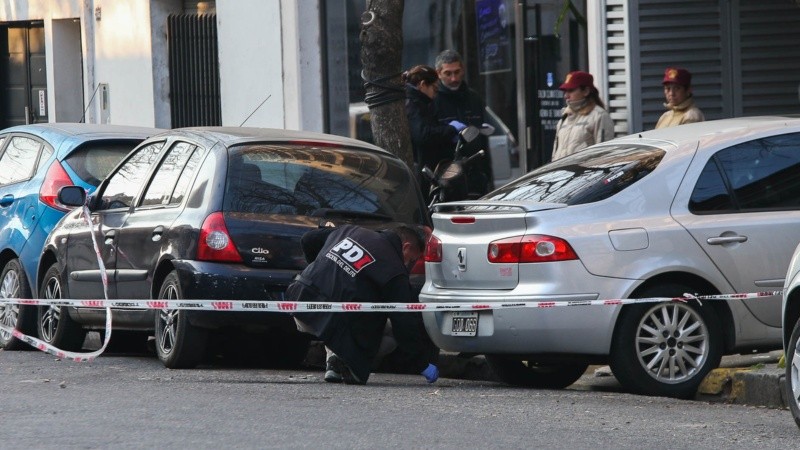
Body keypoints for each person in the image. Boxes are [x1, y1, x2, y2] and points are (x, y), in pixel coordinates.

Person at [285, 224, 439, 385]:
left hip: (300, 302)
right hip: (329, 318)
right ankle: (350, 365)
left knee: (342, 311)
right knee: (389, 332)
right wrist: (422, 364)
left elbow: (308, 238)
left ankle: (335, 364)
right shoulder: (395, 269)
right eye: (411, 259)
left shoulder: (349, 231)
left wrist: (319, 269)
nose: (409, 264)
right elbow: (403, 322)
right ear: (406, 247)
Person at [433, 49, 494, 196]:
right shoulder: (434, 101)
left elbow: (483, 140)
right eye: (448, 73)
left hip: (475, 175)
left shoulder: (473, 98)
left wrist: (488, 176)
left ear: (463, 70)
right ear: (438, 73)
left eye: (457, 72)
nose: (454, 78)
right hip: (446, 175)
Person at [403, 65, 462, 177]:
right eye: (434, 89)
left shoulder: (419, 102)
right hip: (422, 168)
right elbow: (423, 135)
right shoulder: (413, 105)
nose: (435, 94)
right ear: (423, 85)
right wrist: (451, 129)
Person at [551, 70, 615, 161]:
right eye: (565, 91)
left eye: (571, 90)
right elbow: (555, 152)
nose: (566, 96)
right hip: (561, 174)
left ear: (586, 91)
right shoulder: (565, 116)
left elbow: (604, 155)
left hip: (585, 174)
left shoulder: (600, 116)